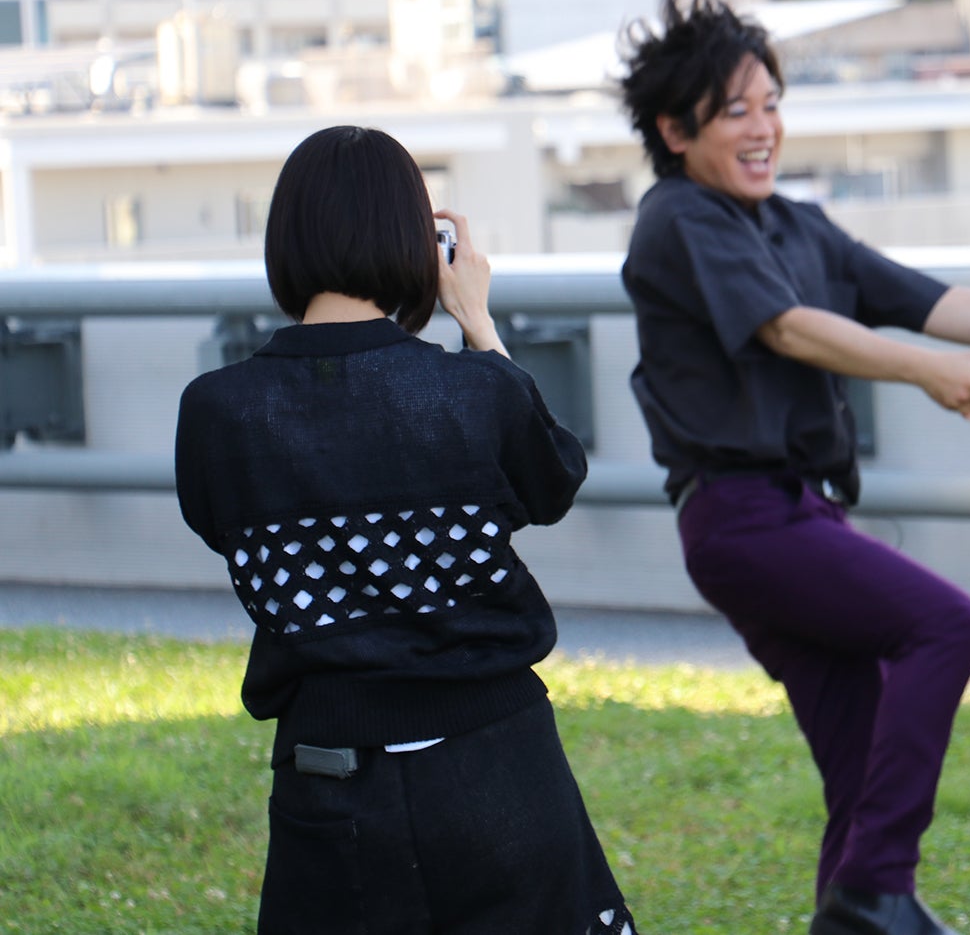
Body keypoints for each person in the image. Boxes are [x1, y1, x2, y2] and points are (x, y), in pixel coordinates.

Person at [616, 0, 970, 935]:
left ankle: (859, 905)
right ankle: (880, 888)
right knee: (945, 624)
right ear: (675, 129)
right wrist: (933, 374)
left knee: (862, 756)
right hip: (744, 520)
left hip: (802, 515)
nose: (763, 130)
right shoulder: (679, 219)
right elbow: (791, 329)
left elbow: (919, 296)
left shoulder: (795, 224)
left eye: (771, 104)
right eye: (735, 112)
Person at [174, 126, 638, 935]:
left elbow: (221, 527)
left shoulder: (218, 411)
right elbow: (553, 479)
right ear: (418, 242)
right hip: (502, 763)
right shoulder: (469, 391)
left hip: (330, 770)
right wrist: (478, 323)